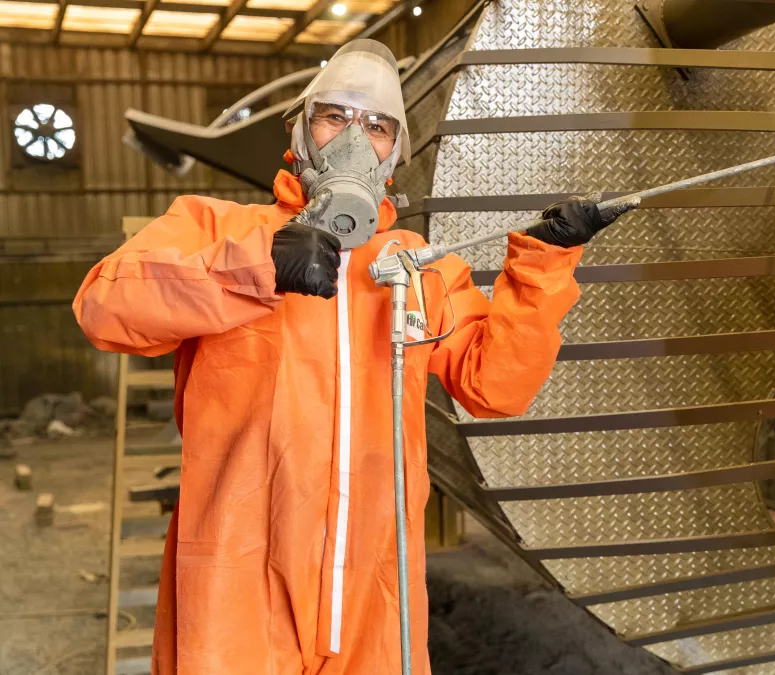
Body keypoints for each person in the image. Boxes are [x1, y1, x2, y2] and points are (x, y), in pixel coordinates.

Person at [73, 39, 624, 675]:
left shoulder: (417, 268)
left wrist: (543, 266)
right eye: (335, 117)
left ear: (397, 154)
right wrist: (259, 265)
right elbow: (105, 309)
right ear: (301, 131)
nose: (354, 141)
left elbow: (494, 384)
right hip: (237, 571)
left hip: (374, 578)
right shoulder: (216, 229)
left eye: (378, 126)